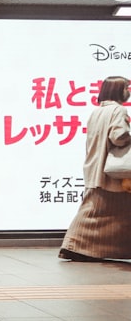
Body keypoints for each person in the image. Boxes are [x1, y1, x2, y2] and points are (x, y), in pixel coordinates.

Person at [59, 76, 131, 261]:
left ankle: (76, 246)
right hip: (112, 172)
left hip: (95, 167)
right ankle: (74, 246)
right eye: (126, 87)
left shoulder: (97, 112)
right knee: (106, 212)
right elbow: (119, 136)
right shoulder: (119, 110)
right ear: (118, 90)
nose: (128, 91)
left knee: (95, 210)